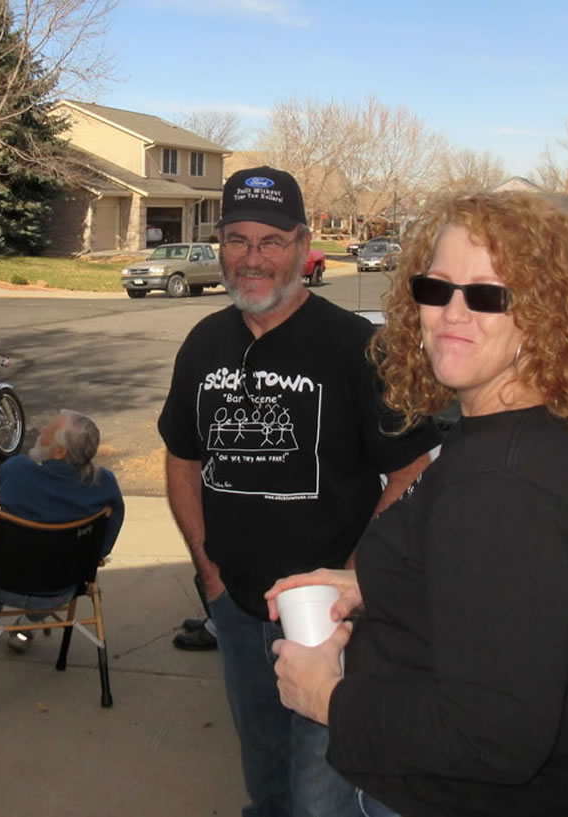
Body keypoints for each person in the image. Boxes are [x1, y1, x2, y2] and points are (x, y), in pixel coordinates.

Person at [266, 192, 568, 817]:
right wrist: (373, 585)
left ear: (549, 314)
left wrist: (326, 697)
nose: (452, 314)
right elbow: (491, 598)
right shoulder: (523, 430)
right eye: (436, 288)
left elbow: (495, 736)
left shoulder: (504, 485)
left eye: (489, 294)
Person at [158, 166, 439, 817]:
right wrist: (210, 574)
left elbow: (411, 468)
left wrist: (349, 580)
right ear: (219, 244)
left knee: (321, 796)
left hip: (328, 630)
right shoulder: (204, 344)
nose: (252, 258)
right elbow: (181, 456)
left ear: (303, 243)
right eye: (237, 239)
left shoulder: (356, 348)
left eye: (272, 240)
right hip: (235, 610)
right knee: (265, 779)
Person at [0, 410, 124, 652]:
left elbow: (3, 497)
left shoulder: (15, 470)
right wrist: (96, 555)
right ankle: (28, 625)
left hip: (1, 582)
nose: (40, 431)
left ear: (59, 452)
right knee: (55, 559)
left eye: (47, 430)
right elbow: (109, 533)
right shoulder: (105, 484)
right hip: (64, 587)